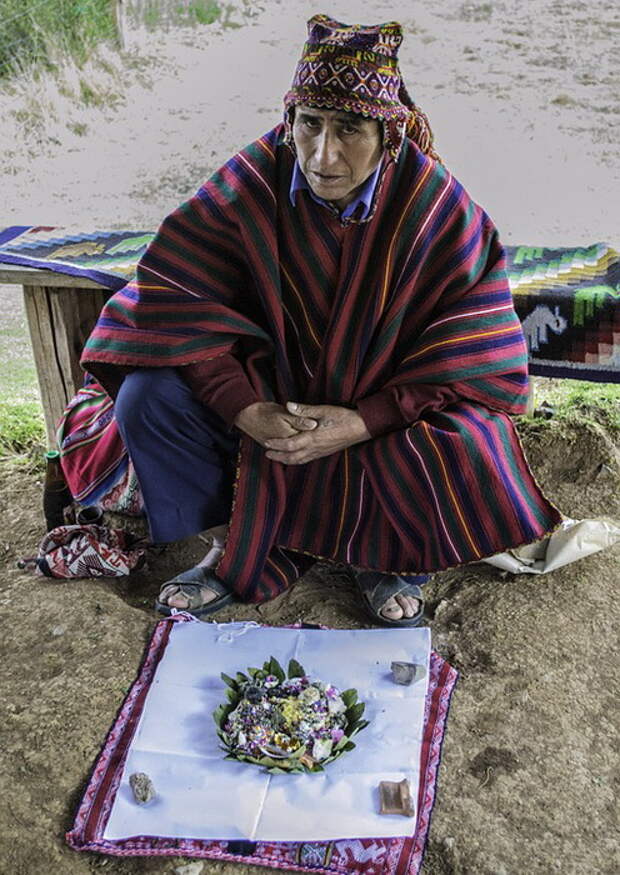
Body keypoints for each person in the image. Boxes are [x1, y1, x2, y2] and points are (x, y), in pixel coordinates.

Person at [81, 14, 562, 626]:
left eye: (350, 129)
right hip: (270, 398)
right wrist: (245, 409)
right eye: (310, 124)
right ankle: (238, 546)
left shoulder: (437, 209)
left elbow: (477, 348)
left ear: (388, 134)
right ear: (291, 121)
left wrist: (364, 420)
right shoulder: (250, 182)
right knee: (148, 397)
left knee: (470, 438)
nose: (323, 153)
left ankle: (385, 558)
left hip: (381, 407)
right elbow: (173, 302)